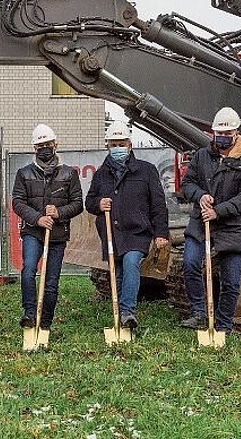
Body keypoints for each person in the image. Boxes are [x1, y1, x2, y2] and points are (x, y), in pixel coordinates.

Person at [179, 107, 241, 334]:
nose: (222, 138)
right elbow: (188, 184)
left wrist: (219, 211)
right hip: (201, 222)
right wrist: (200, 195)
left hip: (232, 225)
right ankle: (199, 313)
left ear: (236, 133)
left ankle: (224, 325)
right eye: (218, 133)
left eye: (227, 133)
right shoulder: (202, 156)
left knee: (231, 281)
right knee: (190, 263)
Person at [84, 120, 169, 328]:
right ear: (108, 146)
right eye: (113, 144)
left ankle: (127, 311)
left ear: (129, 145)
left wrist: (161, 233)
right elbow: (89, 202)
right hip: (113, 233)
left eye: (121, 143)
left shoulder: (146, 171)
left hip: (138, 231)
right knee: (119, 272)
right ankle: (122, 312)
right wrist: (99, 203)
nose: (117, 148)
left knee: (132, 263)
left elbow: (158, 204)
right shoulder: (101, 174)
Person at [11, 124, 83, 330]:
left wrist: (59, 213)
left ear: (55, 145)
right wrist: (37, 218)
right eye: (39, 145)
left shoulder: (69, 174)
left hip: (58, 234)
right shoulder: (24, 173)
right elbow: (18, 202)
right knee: (28, 271)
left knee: (51, 281)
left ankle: (45, 322)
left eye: (47, 144)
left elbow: (78, 203)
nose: (44, 148)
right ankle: (30, 313)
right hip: (33, 231)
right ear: (34, 148)